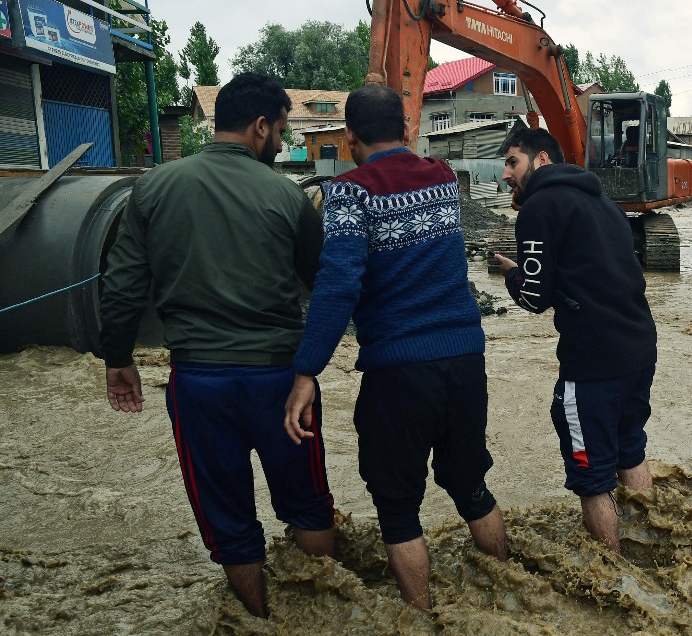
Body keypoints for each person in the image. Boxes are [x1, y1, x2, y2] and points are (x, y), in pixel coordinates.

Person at [98, 73, 334, 619]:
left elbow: (122, 282)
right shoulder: (287, 196)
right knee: (308, 505)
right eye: (279, 131)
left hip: (198, 385)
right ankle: (323, 618)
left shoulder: (152, 188)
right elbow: (323, 286)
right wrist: (312, 365)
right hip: (281, 383)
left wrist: (117, 358)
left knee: (228, 520)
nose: (282, 144)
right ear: (259, 126)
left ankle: (257, 622)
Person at [283, 83, 506, 611]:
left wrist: (306, 370)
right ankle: (507, 596)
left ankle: (424, 617)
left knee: (399, 506)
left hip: (401, 370)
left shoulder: (350, 192)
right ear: (408, 130)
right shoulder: (443, 178)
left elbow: (339, 286)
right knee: (470, 482)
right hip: (465, 360)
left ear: (351, 136)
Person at [493, 126, 656, 555]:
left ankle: (614, 575)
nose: (506, 174)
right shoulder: (606, 203)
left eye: (512, 162)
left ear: (541, 160)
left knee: (592, 478)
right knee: (630, 451)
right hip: (640, 347)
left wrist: (512, 273)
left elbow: (534, 297)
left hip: (592, 364)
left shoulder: (540, 208)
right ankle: (655, 540)